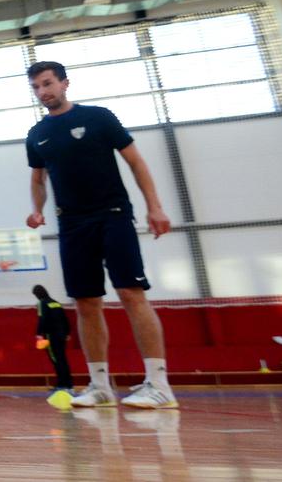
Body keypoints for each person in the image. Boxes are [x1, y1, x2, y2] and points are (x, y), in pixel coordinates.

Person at [25, 60, 177, 409]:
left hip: (112, 215)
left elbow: (136, 162)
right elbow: (38, 178)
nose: (43, 91)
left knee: (130, 292)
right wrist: (37, 209)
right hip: (72, 225)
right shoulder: (36, 135)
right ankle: (99, 386)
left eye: (48, 83)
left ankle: (159, 384)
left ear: (65, 84)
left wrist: (155, 207)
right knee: (86, 303)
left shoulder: (99, 117)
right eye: (36, 87)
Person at [33, 284, 74, 393]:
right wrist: (67, 332)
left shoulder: (41, 303)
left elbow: (42, 318)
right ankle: (69, 385)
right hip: (62, 335)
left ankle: (61, 385)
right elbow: (64, 318)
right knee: (62, 359)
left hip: (51, 335)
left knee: (56, 360)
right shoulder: (56, 302)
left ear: (37, 294)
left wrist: (39, 333)